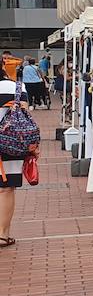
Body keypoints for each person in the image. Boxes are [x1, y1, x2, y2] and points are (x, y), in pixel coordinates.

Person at [0, 79, 37, 247]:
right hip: (11, 142)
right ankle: (2, 235)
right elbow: (25, 116)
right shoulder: (17, 87)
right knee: (6, 189)